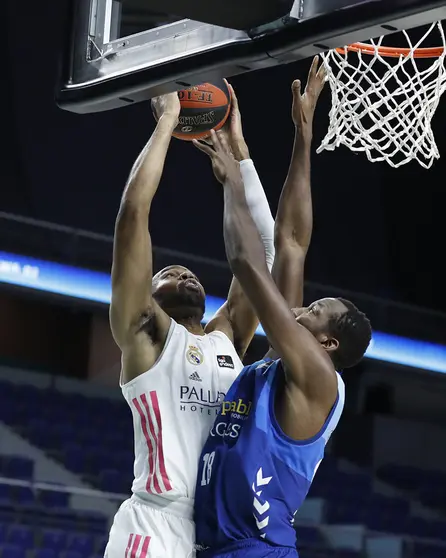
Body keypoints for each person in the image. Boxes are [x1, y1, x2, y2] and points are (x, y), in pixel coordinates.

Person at [193, 57, 372, 558]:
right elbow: (292, 242)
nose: (301, 309)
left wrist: (231, 181)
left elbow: (246, 263)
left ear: (327, 344)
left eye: (313, 310)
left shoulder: (316, 376)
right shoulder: (284, 362)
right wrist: (303, 132)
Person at [104, 87, 277, 558]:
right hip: (154, 525)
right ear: (149, 294)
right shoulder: (145, 333)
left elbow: (263, 259)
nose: (181, 272)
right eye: (165, 273)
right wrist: (166, 124)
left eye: (188, 271)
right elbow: (132, 217)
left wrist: (239, 156)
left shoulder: (227, 338)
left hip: (213, 532)